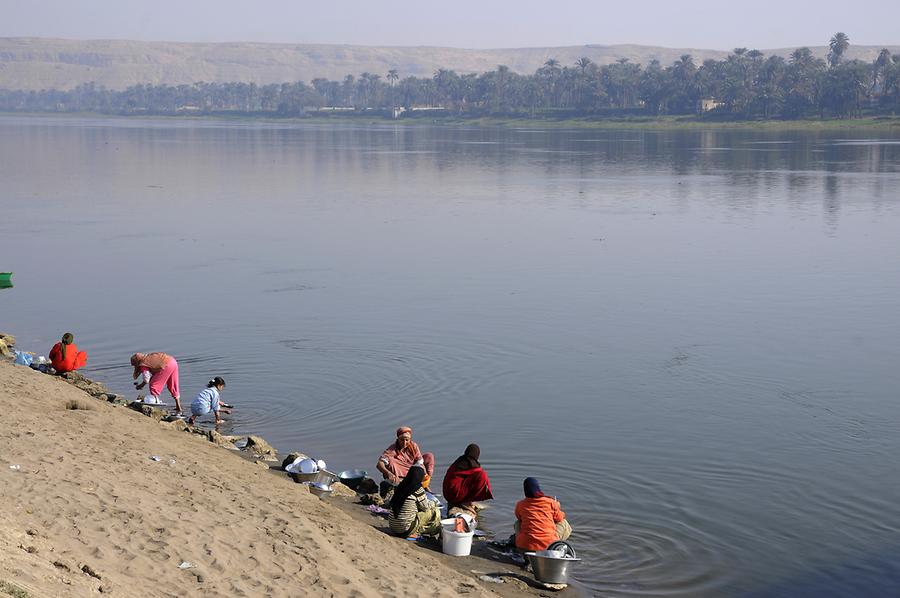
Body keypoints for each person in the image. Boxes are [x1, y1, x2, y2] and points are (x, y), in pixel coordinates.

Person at [514, 477, 573, 552]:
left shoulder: (520, 504)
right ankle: (558, 543)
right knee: (564, 523)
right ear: (538, 489)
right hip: (548, 545)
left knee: (517, 523)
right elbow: (559, 518)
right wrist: (557, 506)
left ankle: (521, 540)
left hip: (524, 545)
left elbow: (519, 518)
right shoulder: (550, 502)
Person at [376, 426, 435, 497]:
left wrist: (424, 476)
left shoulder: (414, 446)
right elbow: (379, 464)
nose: (404, 443)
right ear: (398, 439)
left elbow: (420, 462)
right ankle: (401, 483)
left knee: (429, 456)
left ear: (410, 439)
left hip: (412, 470)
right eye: (402, 440)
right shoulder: (392, 449)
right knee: (391, 461)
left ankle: (426, 486)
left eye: (407, 440)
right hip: (400, 474)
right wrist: (388, 473)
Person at [388, 466, 441, 539]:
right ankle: (433, 530)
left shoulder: (401, 486)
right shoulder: (417, 489)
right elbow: (425, 507)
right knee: (435, 511)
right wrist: (434, 503)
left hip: (393, 527)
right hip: (405, 530)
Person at [442, 443, 493, 518]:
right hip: (454, 495)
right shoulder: (471, 465)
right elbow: (480, 475)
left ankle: (463, 501)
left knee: (477, 475)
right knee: (482, 475)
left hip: (447, 494)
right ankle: (465, 503)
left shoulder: (460, 461)